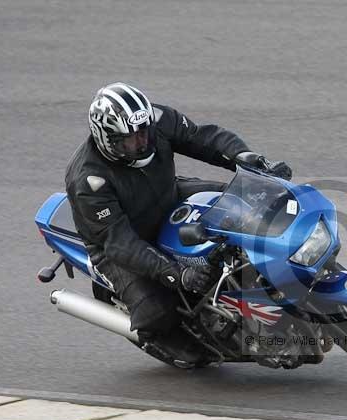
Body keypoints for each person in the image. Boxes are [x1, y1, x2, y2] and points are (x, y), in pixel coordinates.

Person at [65, 82, 292, 367]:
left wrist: (244, 158)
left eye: (144, 133)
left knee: (250, 202)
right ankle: (163, 339)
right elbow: (119, 242)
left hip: (167, 196)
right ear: (106, 138)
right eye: (130, 140)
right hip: (121, 240)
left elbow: (203, 138)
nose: (142, 143)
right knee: (158, 313)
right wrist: (178, 274)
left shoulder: (156, 120)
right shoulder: (89, 181)